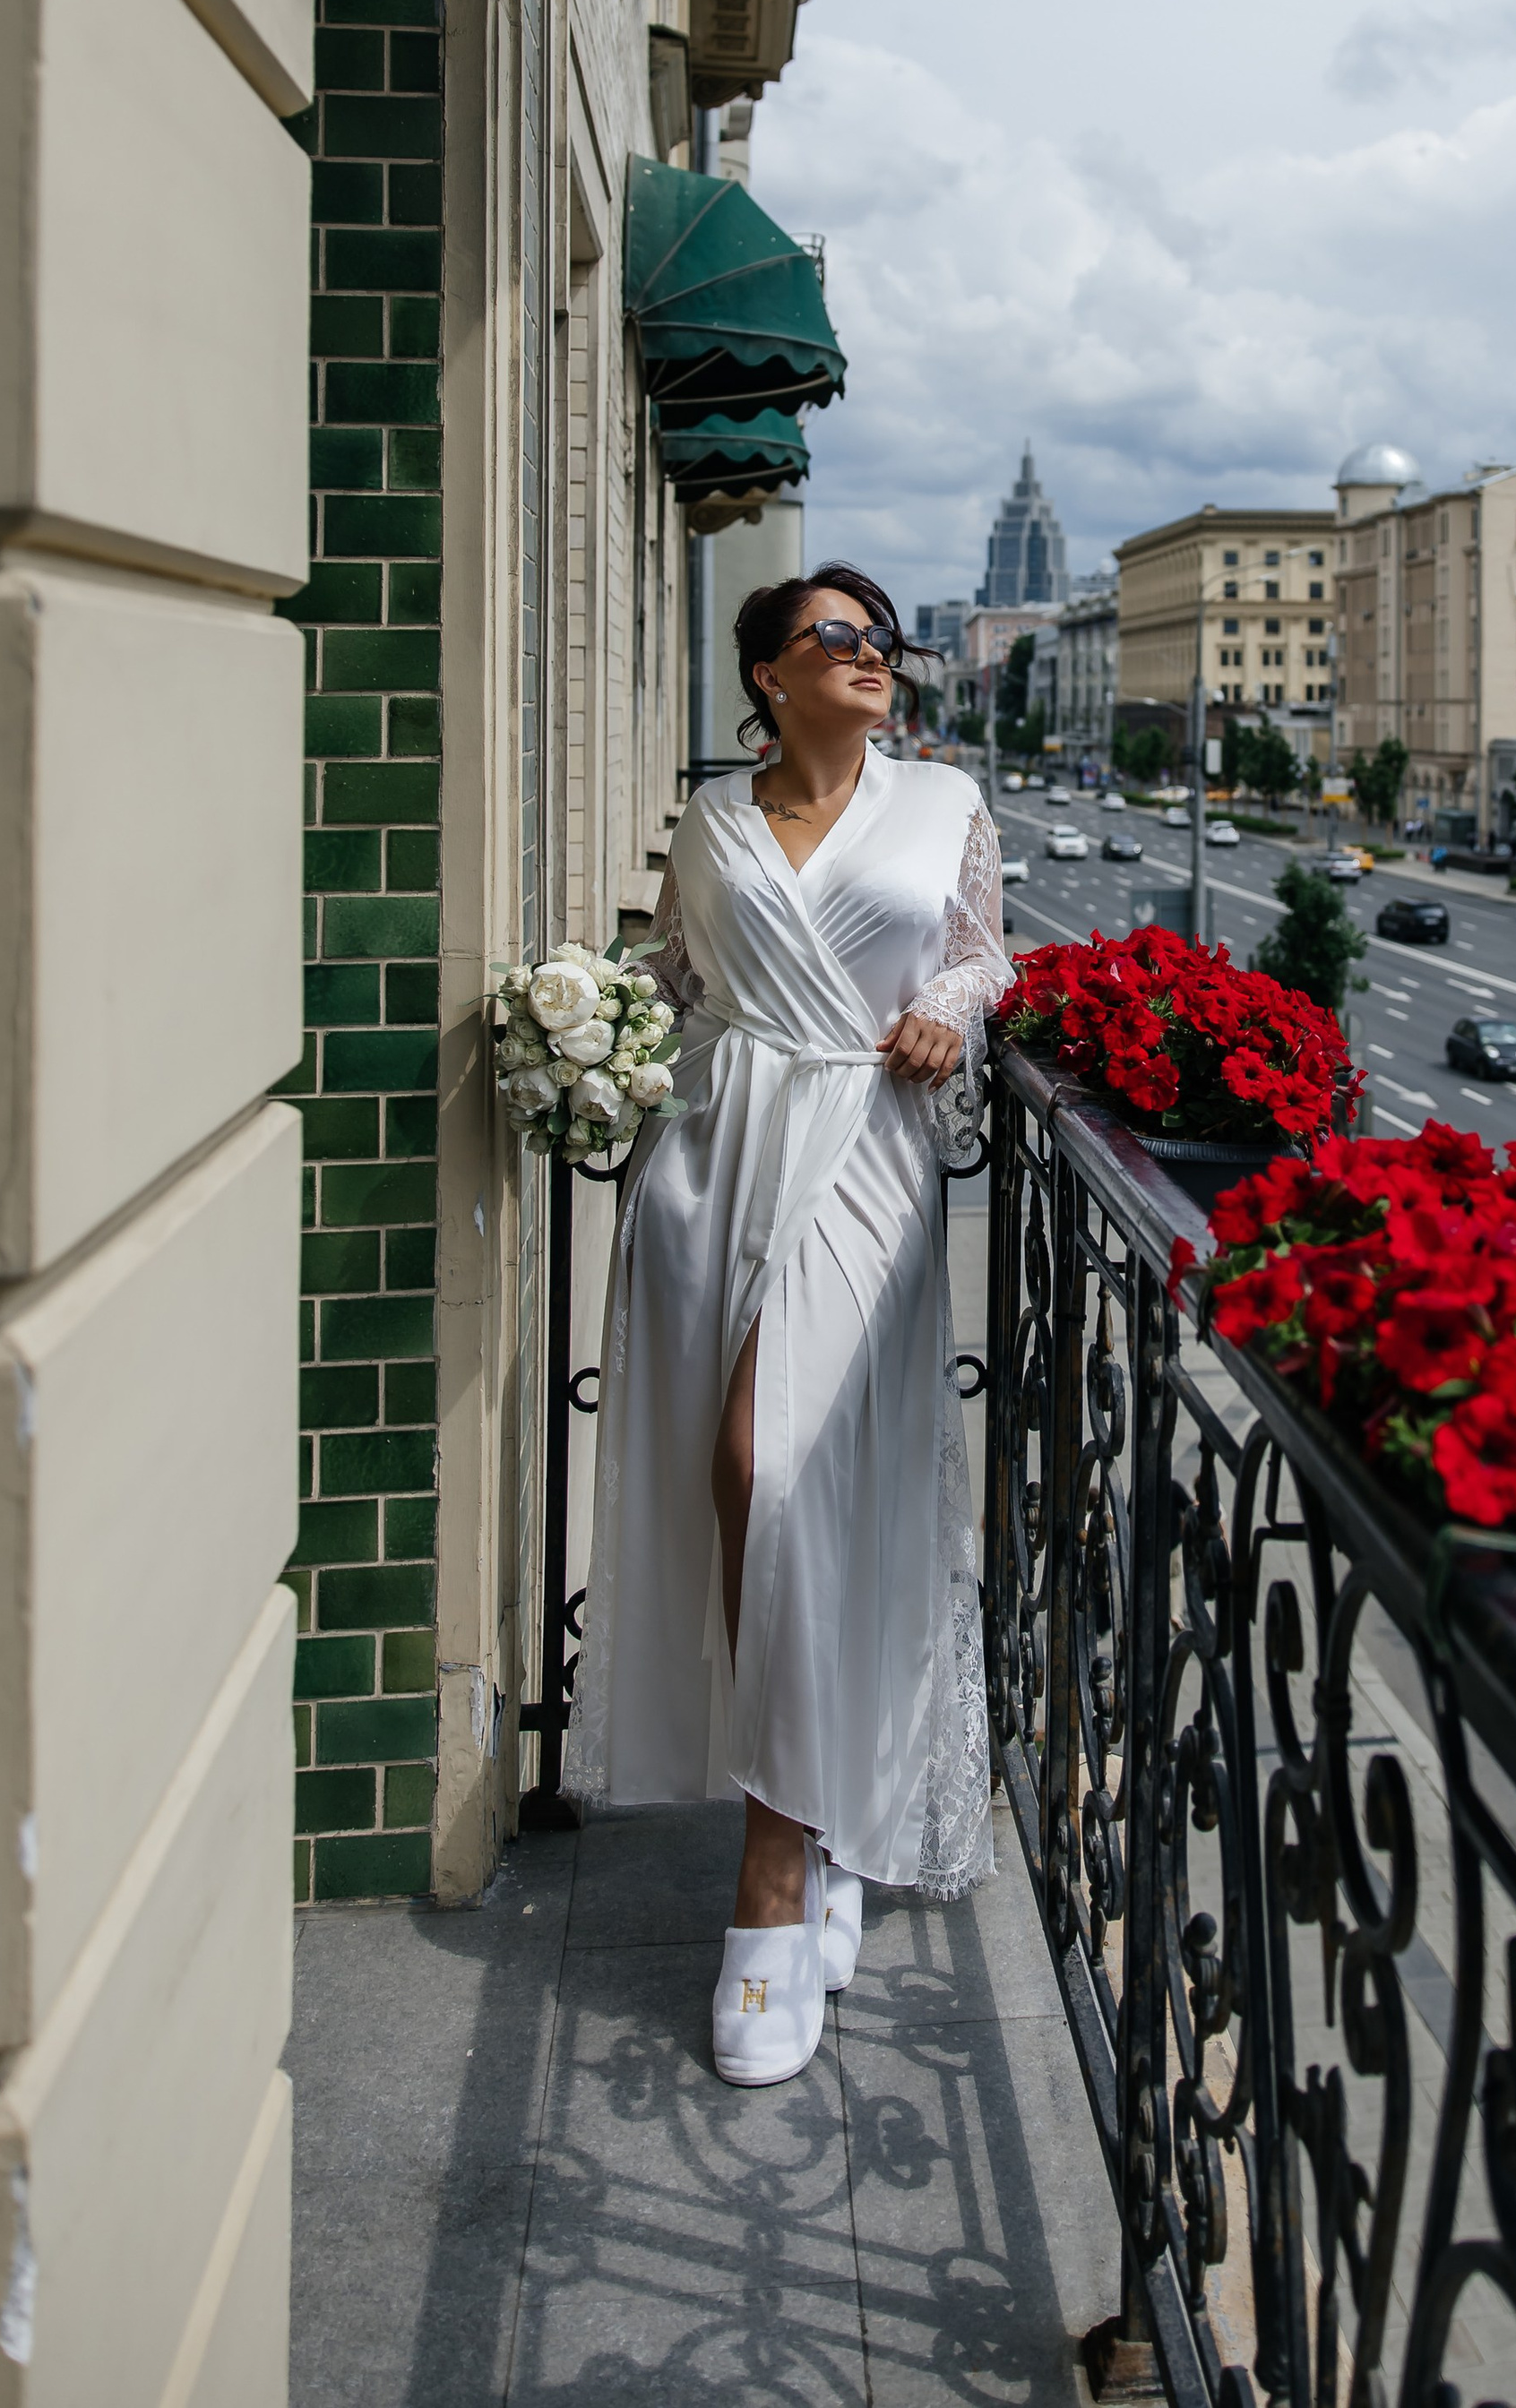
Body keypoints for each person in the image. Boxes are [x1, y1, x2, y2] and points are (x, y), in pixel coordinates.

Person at [563, 563, 1010, 2084]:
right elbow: (680, 979)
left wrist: (959, 1002)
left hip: (866, 1146)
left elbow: (978, 947)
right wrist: (585, 1030)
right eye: (836, 638)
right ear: (764, 673)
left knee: (775, 1468)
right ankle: (814, 1815)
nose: (871, 655)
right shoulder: (712, 821)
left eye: (882, 639)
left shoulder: (943, 801)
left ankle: (772, 1868)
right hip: (715, 1151)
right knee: (735, 1488)